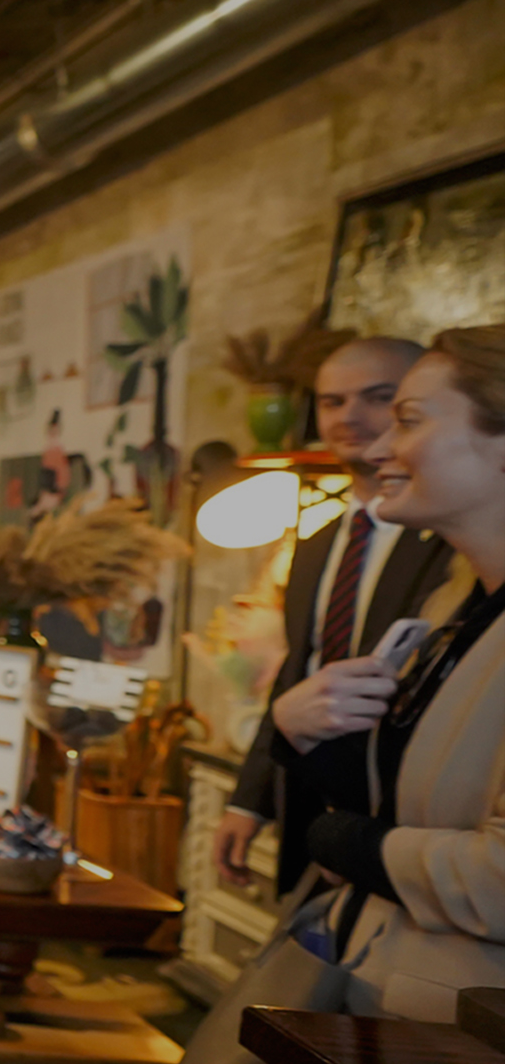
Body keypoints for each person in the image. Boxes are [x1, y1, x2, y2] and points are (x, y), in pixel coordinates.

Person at [259, 324, 505, 1021]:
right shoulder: (455, 603)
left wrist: (356, 845)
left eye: (408, 418)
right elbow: (409, 793)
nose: (375, 449)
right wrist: (299, 732)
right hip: (377, 990)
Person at [214, 337, 451, 893]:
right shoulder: (317, 542)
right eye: (332, 402)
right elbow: (299, 672)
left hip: (400, 825)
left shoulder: (450, 542)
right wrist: (249, 802)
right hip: (310, 806)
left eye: (378, 397)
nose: (351, 416)